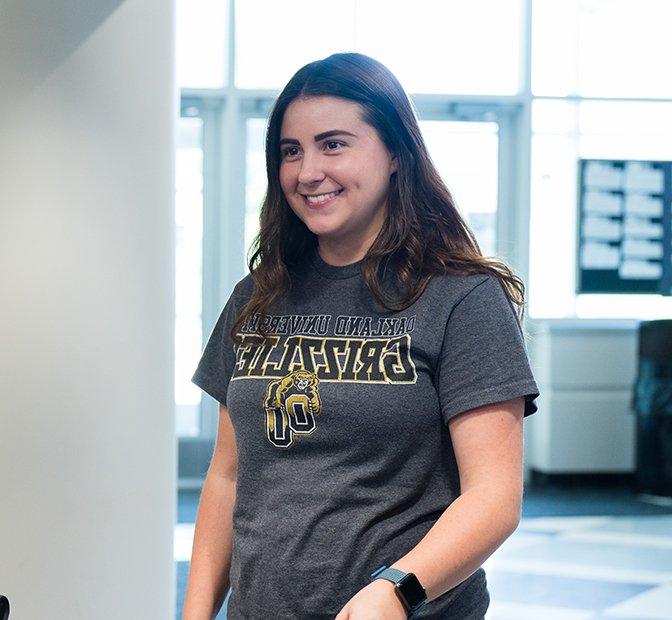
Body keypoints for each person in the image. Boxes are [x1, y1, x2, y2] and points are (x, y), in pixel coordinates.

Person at [181, 53, 538, 620]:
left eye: (334, 144)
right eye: (290, 150)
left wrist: (399, 588)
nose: (307, 171)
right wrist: (196, 614)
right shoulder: (257, 296)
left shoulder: (461, 297)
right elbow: (228, 475)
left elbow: (494, 498)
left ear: (396, 152)